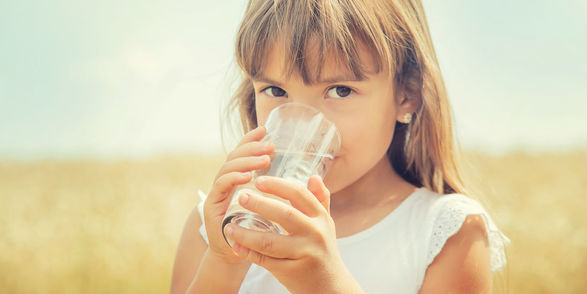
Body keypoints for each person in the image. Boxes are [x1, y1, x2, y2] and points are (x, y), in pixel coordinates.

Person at [171, 0, 509, 293]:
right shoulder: (214, 227)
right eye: (275, 91)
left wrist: (325, 284)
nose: (303, 125)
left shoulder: (447, 232)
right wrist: (224, 261)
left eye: (340, 91)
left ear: (407, 94)